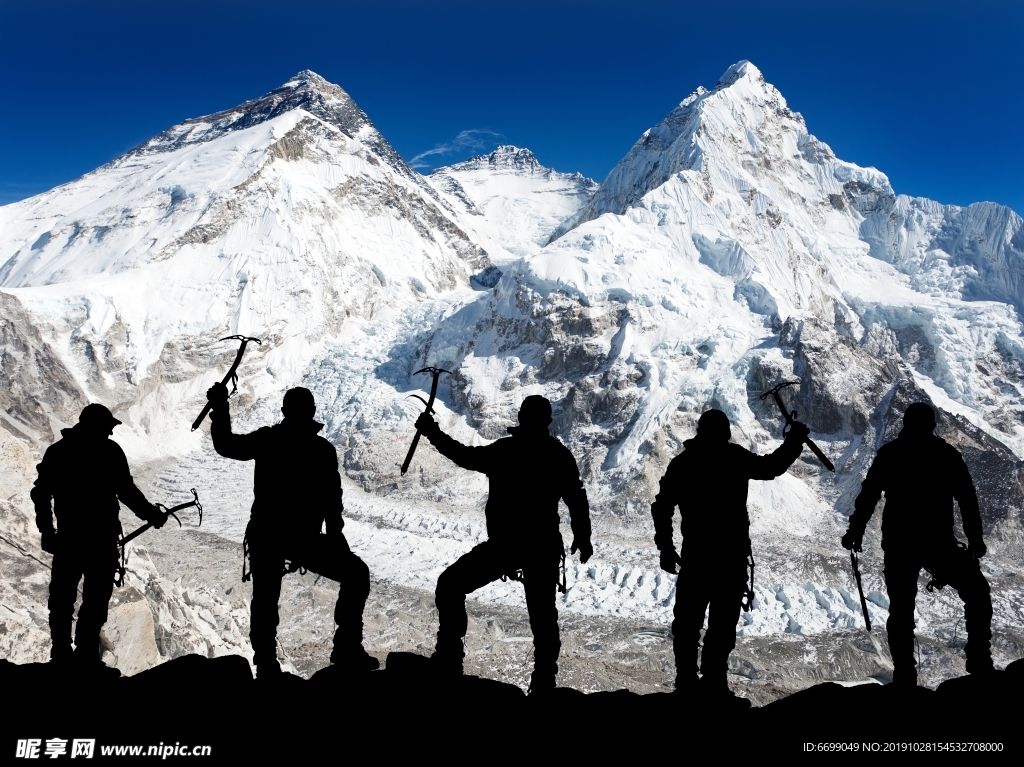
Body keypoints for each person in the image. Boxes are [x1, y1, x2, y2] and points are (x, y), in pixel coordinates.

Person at [414, 395, 592, 694]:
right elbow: (576, 496)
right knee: (544, 617)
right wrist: (583, 536)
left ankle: (449, 659)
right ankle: (544, 681)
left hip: (505, 546)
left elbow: (464, 456)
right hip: (542, 546)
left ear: (521, 417)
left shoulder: (506, 450)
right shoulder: (558, 455)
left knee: (450, 585)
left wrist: (432, 432)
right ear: (548, 421)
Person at [205, 382, 376, 678]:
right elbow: (332, 500)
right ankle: (347, 648)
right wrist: (336, 537)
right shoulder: (322, 450)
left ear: (284, 411)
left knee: (266, 597)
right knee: (355, 573)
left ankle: (266, 662)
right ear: (312, 412)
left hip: (267, 534)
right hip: (302, 539)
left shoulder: (268, 440)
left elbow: (226, 445)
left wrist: (220, 407)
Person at [651, 409, 808, 702]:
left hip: (696, 558)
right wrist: (795, 441)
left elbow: (662, 506)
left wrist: (666, 547)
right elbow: (772, 466)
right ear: (726, 431)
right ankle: (715, 684)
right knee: (722, 626)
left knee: (687, 624)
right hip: (730, 559)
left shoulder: (684, 463)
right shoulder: (734, 458)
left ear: (700, 430)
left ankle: (686, 682)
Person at [842, 402, 993, 685]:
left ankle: (904, 674)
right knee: (977, 592)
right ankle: (980, 659)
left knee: (901, 609)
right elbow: (967, 500)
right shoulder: (946, 455)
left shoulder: (890, 454)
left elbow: (869, 494)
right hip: (939, 543)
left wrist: (856, 530)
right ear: (932, 425)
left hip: (900, 543)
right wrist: (975, 539)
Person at [31, 403, 167, 675]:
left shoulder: (58, 452)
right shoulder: (109, 453)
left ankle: (61, 652)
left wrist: (47, 531)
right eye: (107, 428)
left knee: (62, 597)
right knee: (95, 599)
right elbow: (126, 491)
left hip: (69, 539)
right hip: (101, 541)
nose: (110, 433)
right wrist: (151, 514)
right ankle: (84, 654)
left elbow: (41, 493)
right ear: (97, 426)